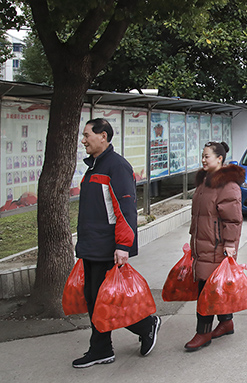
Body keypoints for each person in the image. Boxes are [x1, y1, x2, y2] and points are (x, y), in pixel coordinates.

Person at [73, 118, 160, 368]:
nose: (83, 140)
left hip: (107, 248)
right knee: (93, 300)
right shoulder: (94, 166)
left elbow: (126, 209)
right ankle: (102, 349)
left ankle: (146, 325)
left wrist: (123, 245)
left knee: (107, 301)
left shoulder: (117, 166)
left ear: (103, 136)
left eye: (87, 135)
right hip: (91, 246)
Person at [185, 141, 245, 351]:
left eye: (207, 156)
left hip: (217, 247)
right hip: (203, 244)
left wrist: (229, 244)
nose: (203, 160)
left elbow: (233, 220)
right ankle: (226, 322)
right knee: (216, 288)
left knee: (206, 291)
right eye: (202, 156)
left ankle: (203, 333)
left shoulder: (227, 186)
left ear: (219, 159)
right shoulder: (204, 182)